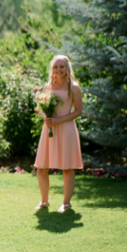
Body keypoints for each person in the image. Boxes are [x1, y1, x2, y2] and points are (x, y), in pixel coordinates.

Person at [34, 55, 83, 212]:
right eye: (56, 66)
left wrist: (60, 120)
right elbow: (42, 107)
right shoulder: (48, 86)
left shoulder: (74, 87)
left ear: (67, 68)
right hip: (49, 129)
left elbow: (79, 111)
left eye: (62, 66)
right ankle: (44, 201)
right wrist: (46, 118)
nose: (58, 69)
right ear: (52, 69)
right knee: (42, 167)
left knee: (67, 167)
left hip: (66, 129)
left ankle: (66, 203)